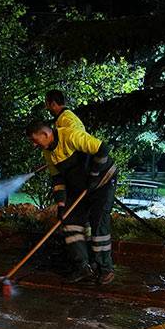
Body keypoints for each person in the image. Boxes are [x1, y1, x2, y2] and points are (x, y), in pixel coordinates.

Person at [26, 119, 117, 285]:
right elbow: (58, 179)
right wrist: (61, 204)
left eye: (34, 140)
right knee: (69, 220)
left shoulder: (70, 135)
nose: (33, 145)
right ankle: (83, 267)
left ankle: (105, 269)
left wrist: (95, 174)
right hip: (81, 188)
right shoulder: (48, 152)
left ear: (45, 134)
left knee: (98, 224)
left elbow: (102, 148)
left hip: (103, 182)